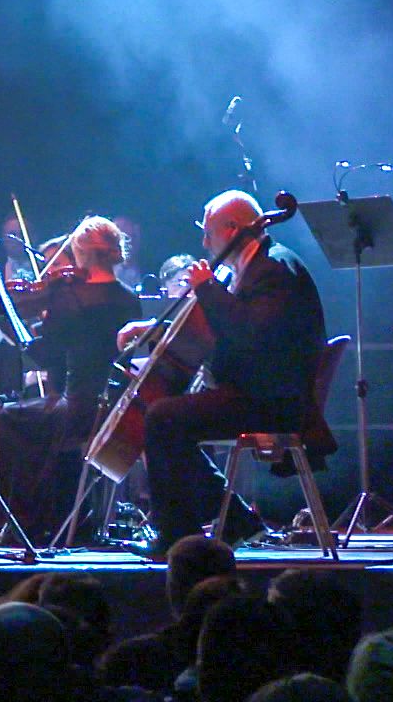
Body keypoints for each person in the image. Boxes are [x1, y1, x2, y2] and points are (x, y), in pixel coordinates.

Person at [126, 191, 328, 544]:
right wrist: (156, 329)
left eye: (209, 233)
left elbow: (249, 331)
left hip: (272, 401)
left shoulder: (274, 268)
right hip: (254, 393)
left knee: (163, 418)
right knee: (164, 417)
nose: (205, 243)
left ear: (233, 229)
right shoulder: (253, 266)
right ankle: (231, 518)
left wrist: (207, 288)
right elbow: (220, 326)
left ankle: (179, 533)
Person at [0, 216, 142, 536]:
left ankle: (29, 517)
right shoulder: (129, 298)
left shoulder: (72, 298)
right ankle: (39, 514)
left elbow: (42, 355)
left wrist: (1, 317)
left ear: (80, 253)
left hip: (78, 410)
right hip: (113, 408)